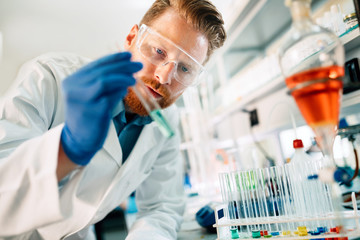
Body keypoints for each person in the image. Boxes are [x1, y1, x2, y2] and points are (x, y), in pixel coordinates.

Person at [0, 0, 226, 239]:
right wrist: (67, 148)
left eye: (185, 69)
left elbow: (162, 208)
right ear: (132, 38)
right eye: (159, 51)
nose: (164, 76)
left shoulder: (166, 121)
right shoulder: (48, 76)